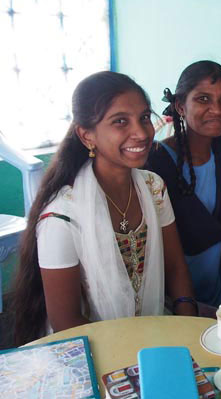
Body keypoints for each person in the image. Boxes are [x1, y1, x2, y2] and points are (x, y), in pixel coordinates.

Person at [12, 71, 197, 346]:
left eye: (144, 117)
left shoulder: (153, 187)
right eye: (120, 121)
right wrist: (138, 352)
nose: (142, 132)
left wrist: (186, 327)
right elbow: (66, 322)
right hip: (87, 347)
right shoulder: (62, 216)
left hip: (153, 332)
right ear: (87, 136)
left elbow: (176, 268)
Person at [146, 61, 221, 307]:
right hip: (168, 299)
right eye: (203, 99)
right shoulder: (158, 163)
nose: (216, 110)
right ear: (180, 106)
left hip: (219, 290)